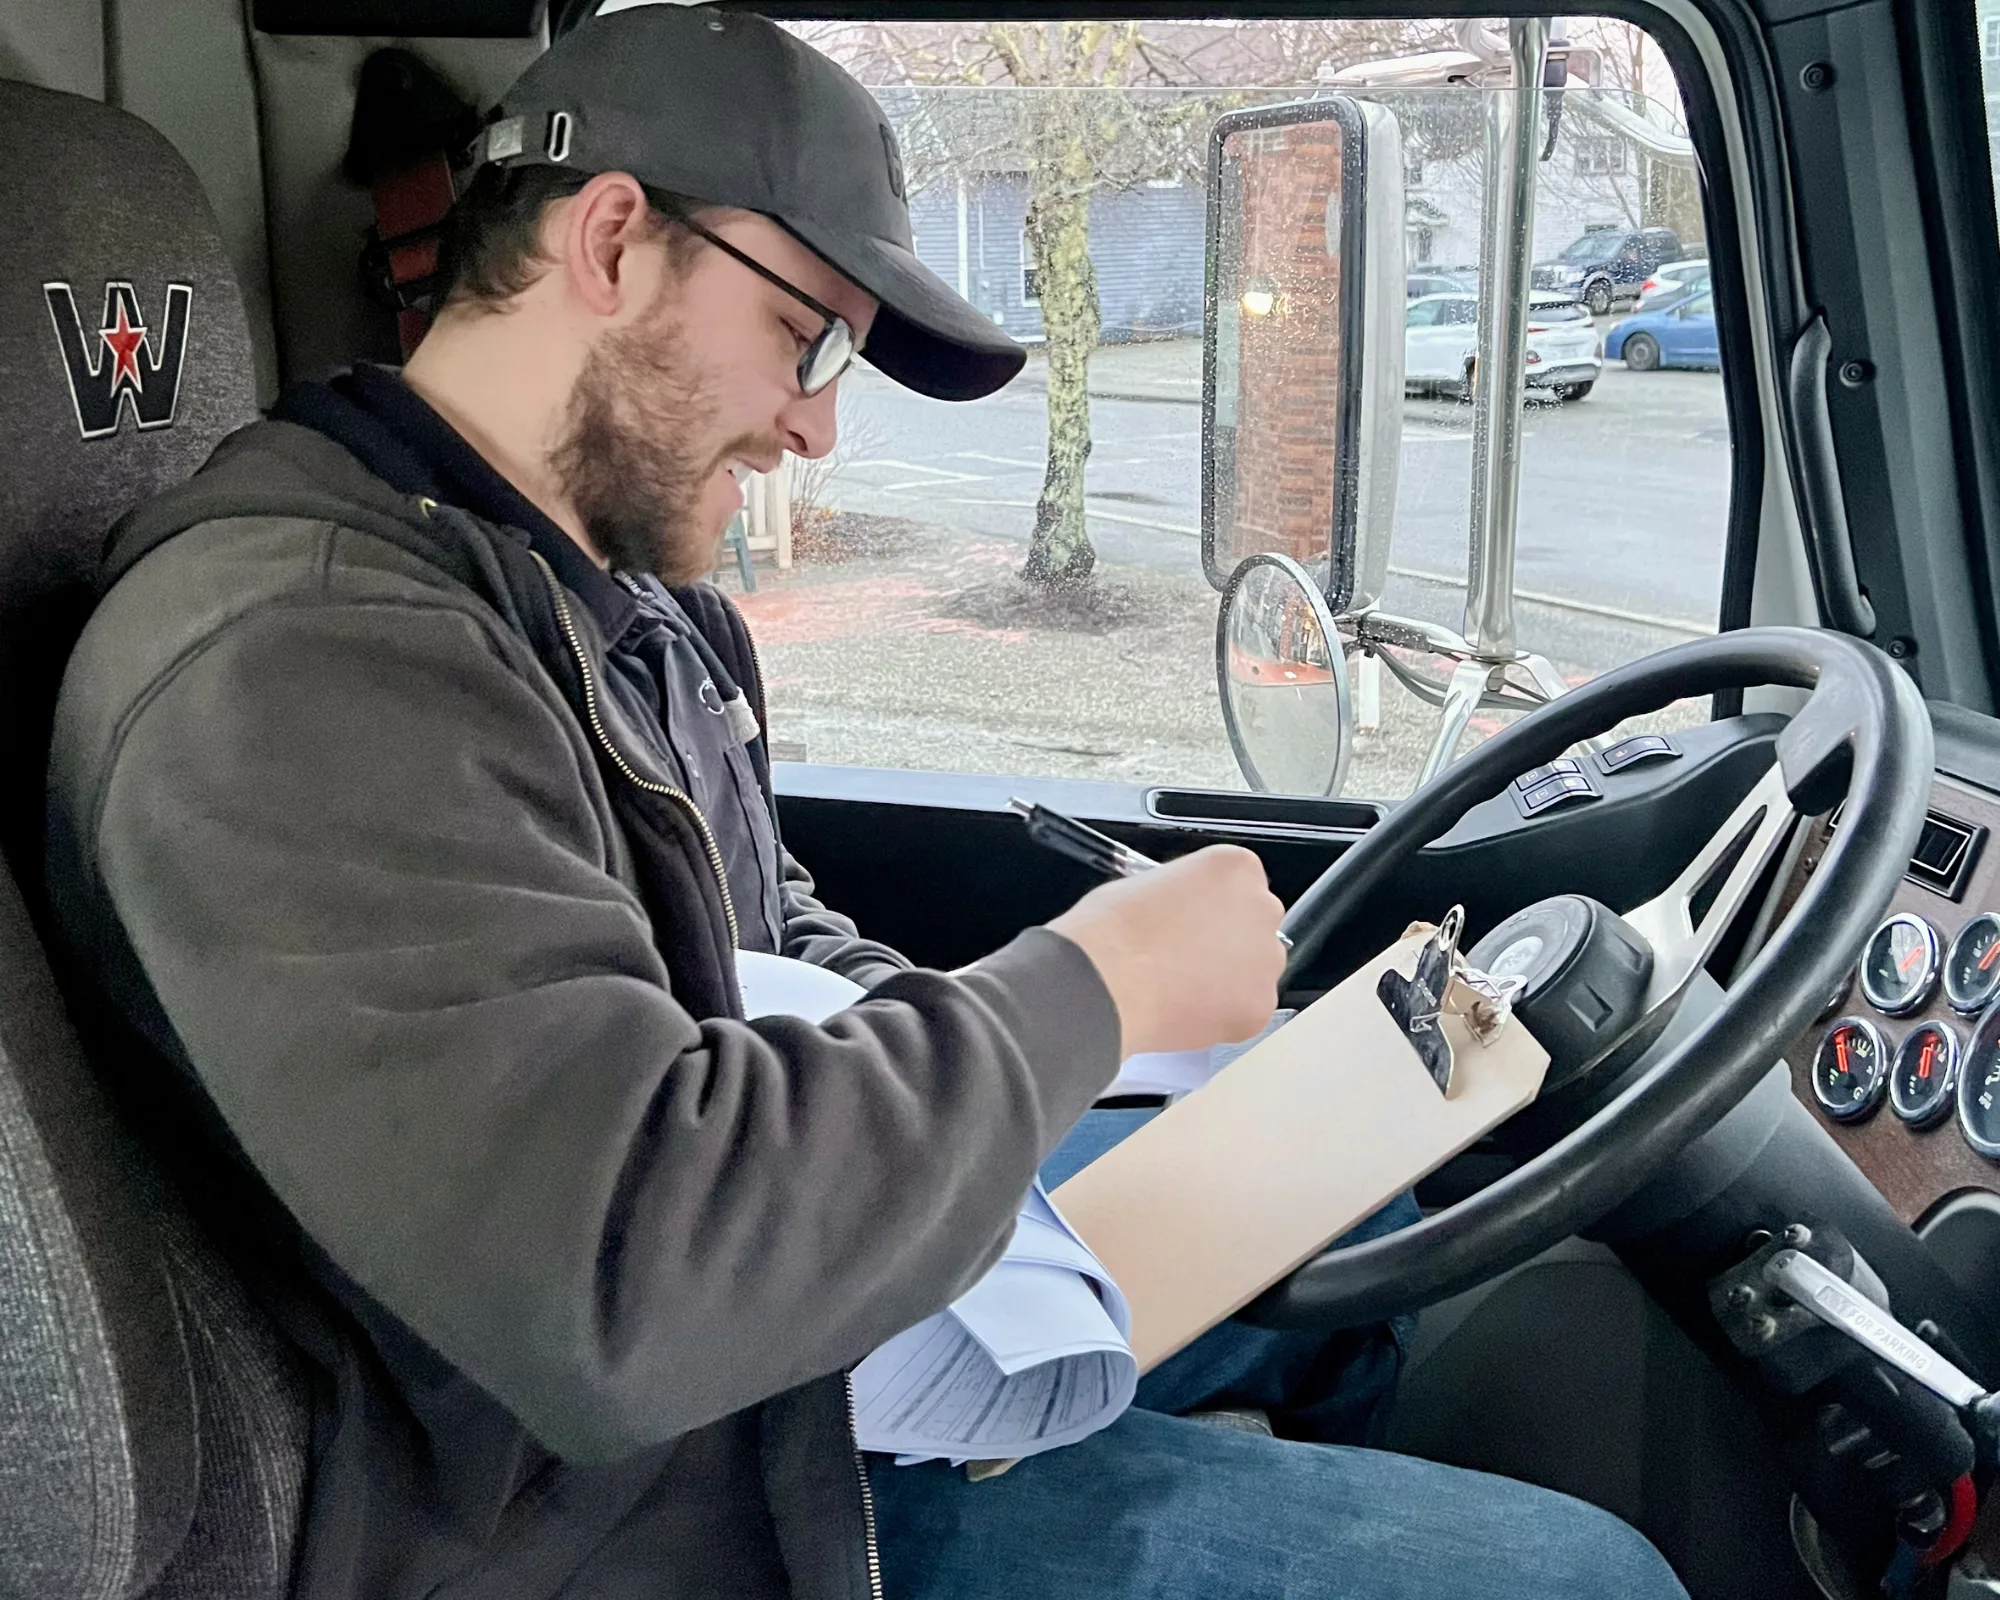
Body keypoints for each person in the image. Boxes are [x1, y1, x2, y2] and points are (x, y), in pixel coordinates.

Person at [44, 7, 1686, 1599]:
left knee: (1353, 1172)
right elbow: (634, 1280)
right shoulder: (299, 673)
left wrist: (952, 1027)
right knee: (1593, 1577)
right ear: (612, 243)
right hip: (629, 1503)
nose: (820, 424)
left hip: (782, 1343)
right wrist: (1090, 995)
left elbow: (764, 928)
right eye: (805, 334)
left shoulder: (614, 599)